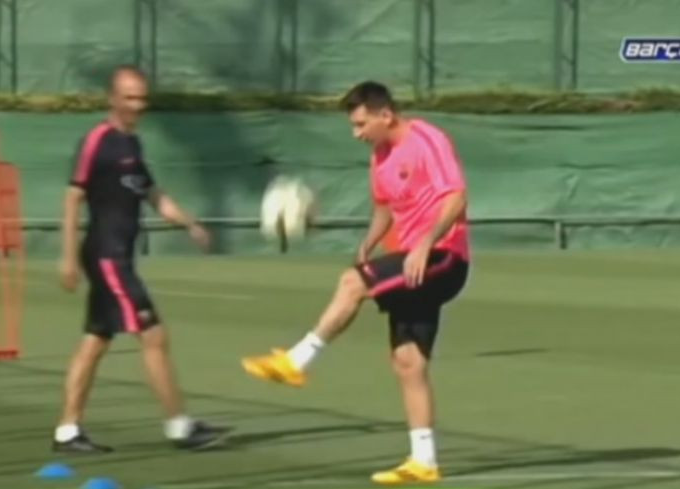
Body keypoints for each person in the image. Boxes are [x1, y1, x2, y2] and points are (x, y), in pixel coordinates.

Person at [240, 81, 471, 484]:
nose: (356, 133)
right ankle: (424, 461)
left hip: (443, 256)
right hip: (410, 259)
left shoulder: (426, 139)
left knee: (352, 283)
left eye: (361, 124)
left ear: (386, 115)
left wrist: (425, 245)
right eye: (353, 125)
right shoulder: (380, 155)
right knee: (408, 362)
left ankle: (297, 361)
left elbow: (456, 196)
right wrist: (369, 241)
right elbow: (384, 206)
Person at [53, 65, 228, 453]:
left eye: (142, 98)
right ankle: (179, 426)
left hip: (118, 257)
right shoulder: (97, 141)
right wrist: (66, 257)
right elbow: (72, 197)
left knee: (95, 340)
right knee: (153, 335)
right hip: (107, 257)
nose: (138, 105)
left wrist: (190, 224)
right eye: (129, 98)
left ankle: (67, 431)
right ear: (112, 98)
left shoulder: (132, 144)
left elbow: (153, 195)